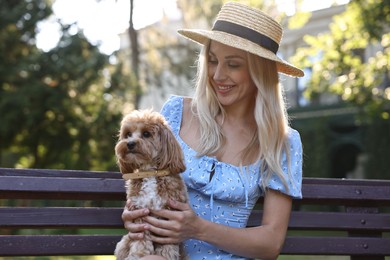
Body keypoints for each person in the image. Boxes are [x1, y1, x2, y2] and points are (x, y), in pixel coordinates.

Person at [121, 2, 304, 259]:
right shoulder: (175, 113)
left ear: (260, 71)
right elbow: (143, 183)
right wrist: (135, 217)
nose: (218, 75)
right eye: (212, 60)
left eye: (233, 64)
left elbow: (271, 243)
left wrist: (198, 228)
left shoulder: (281, 141)